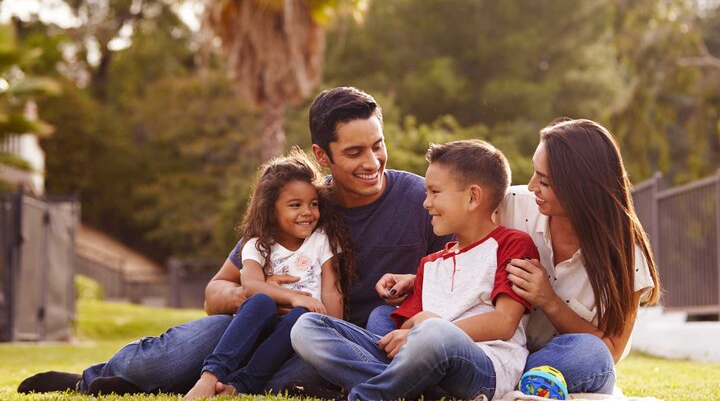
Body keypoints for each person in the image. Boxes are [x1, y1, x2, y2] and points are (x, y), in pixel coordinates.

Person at [18, 86, 451, 396]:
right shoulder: (300, 204)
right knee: (179, 351)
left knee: (296, 380)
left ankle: (171, 387)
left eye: (378, 146)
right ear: (323, 156)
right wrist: (272, 295)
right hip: (262, 323)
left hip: (337, 344)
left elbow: (456, 277)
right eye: (354, 153)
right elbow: (214, 293)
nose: (373, 162)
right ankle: (95, 379)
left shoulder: (421, 200)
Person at [375, 118, 661, 395]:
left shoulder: (627, 256)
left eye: (545, 181)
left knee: (590, 354)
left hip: (545, 362)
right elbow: (467, 249)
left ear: (579, 187)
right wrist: (423, 282)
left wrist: (549, 301)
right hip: (484, 348)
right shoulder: (512, 204)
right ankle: (475, 381)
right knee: (384, 317)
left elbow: (611, 351)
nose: (533, 185)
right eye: (535, 173)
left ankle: (475, 382)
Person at [292, 139, 541, 400]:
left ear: (472, 197)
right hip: (422, 360)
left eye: (434, 192)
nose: (426, 203)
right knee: (307, 326)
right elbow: (409, 325)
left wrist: (425, 329)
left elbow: (504, 323)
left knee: (434, 332)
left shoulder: (512, 243)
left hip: (484, 366)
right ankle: (416, 391)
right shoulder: (430, 264)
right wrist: (411, 331)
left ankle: (367, 395)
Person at [184, 150, 354, 399]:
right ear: (271, 209)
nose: (307, 212)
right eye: (295, 205)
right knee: (261, 300)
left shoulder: (322, 239)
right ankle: (210, 376)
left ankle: (241, 386)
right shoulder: (257, 244)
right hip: (260, 324)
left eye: (313, 204)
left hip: (297, 333)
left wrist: (333, 329)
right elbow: (251, 284)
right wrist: (294, 297)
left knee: (302, 316)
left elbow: (332, 286)